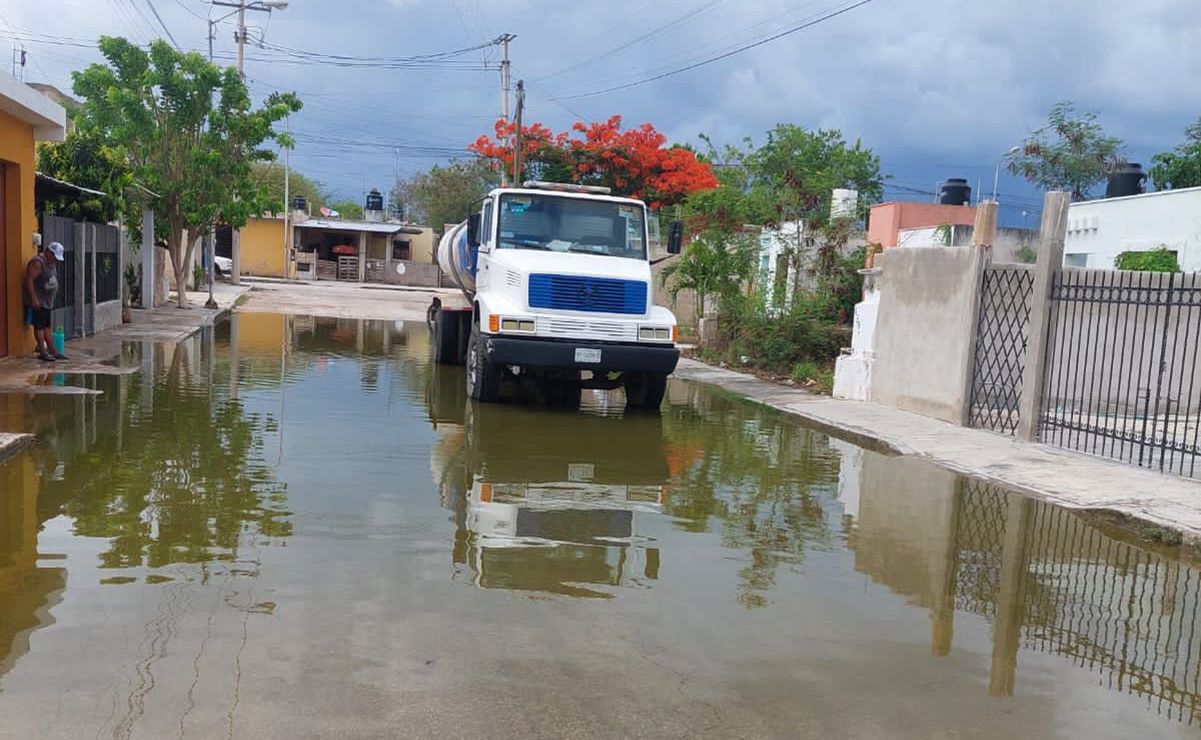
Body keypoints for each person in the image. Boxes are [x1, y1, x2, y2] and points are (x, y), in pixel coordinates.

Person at [24, 241, 66, 362]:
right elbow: (29, 280)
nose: (55, 260)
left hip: (47, 302)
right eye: (54, 257)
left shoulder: (51, 263)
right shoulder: (38, 263)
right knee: (39, 327)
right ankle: (43, 352)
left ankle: (53, 351)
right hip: (39, 302)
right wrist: (33, 298)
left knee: (47, 327)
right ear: (48, 252)